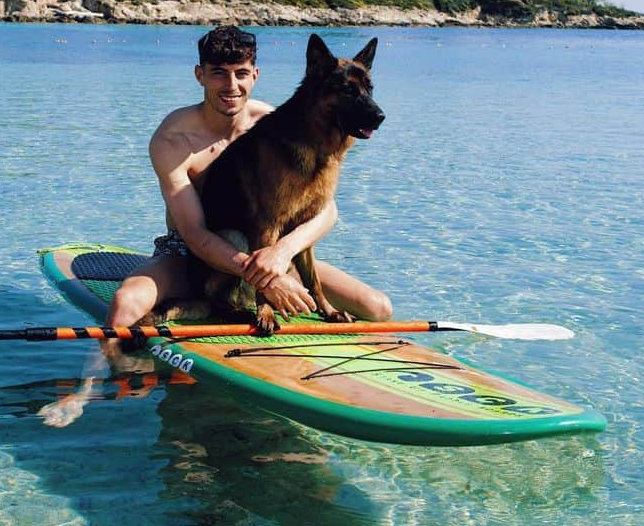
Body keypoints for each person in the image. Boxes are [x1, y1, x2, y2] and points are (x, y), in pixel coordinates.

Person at [39, 26, 392, 426]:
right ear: (200, 75)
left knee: (377, 307)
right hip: (190, 253)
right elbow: (195, 234)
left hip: (273, 252)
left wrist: (280, 256)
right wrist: (264, 277)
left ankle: (359, 383)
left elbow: (326, 212)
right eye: (219, 72)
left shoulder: (281, 122)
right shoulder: (174, 139)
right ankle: (84, 392)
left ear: (255, 74)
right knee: (126, 304)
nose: (231, 85)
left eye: (241, 73)